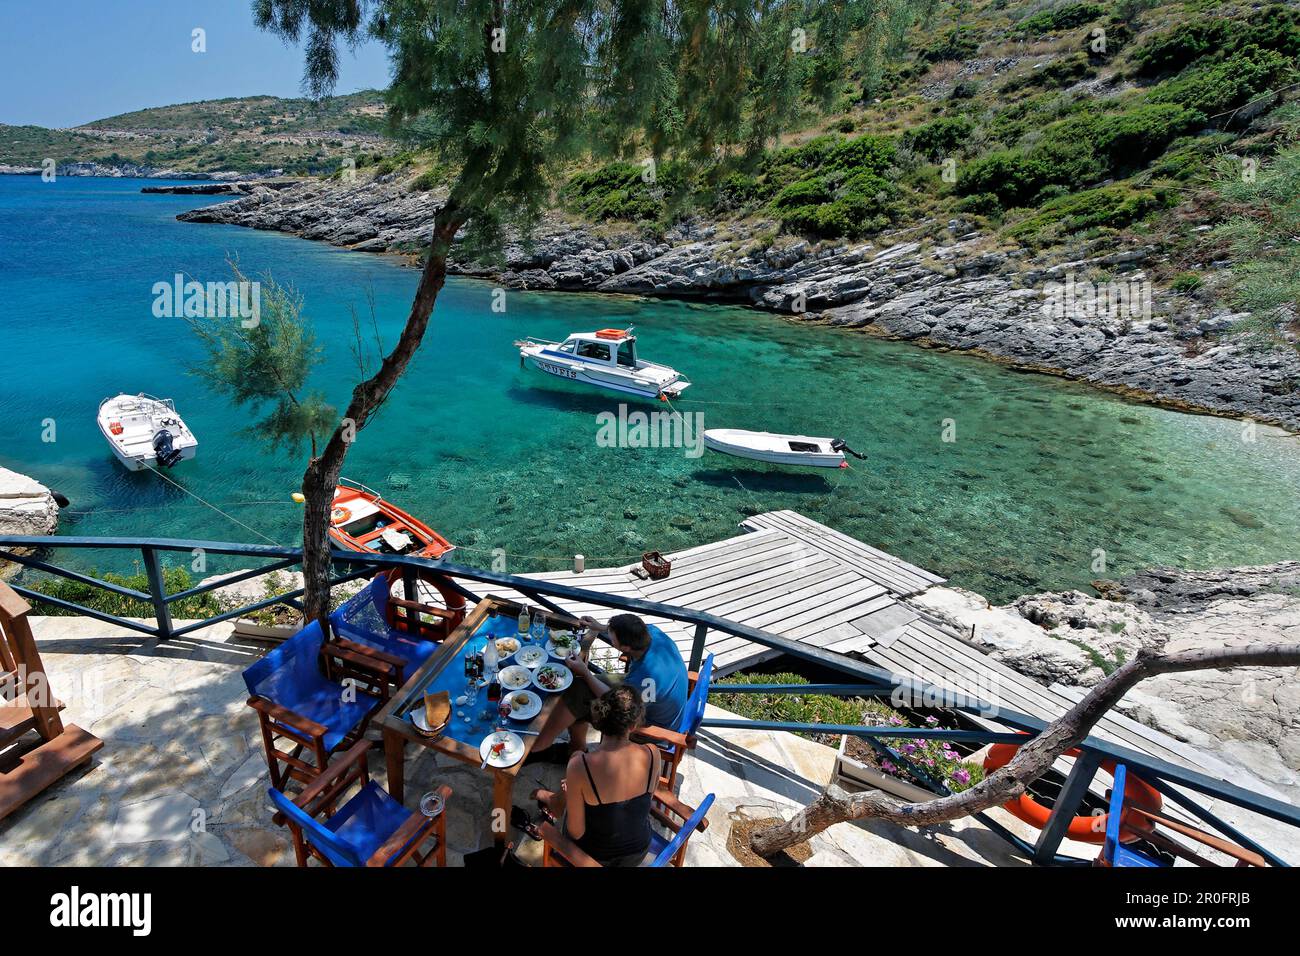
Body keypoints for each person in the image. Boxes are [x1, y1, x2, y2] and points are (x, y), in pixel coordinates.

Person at [533, 685, 662, 866]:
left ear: (599, 720)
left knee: (571, 800)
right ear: (633, 725)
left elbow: (576, 832)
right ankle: (558, 799)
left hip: (595, 859)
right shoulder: (653, 753)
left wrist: (574, 794)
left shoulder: (580, 764)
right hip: (639, 851)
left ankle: (555, 800)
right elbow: (641, 802)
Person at [530, 612, 688, 760]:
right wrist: (601, 627)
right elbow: (629, 630)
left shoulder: (647, 678)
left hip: (648, 723)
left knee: (580, 699)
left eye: (613, 639)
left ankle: (539, 746)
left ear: (625, 648)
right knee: (578, 687)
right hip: (648, 696)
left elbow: (619, 703)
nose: (610, 640)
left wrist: (585, 672)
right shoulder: (652, 632)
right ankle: (576, 747)